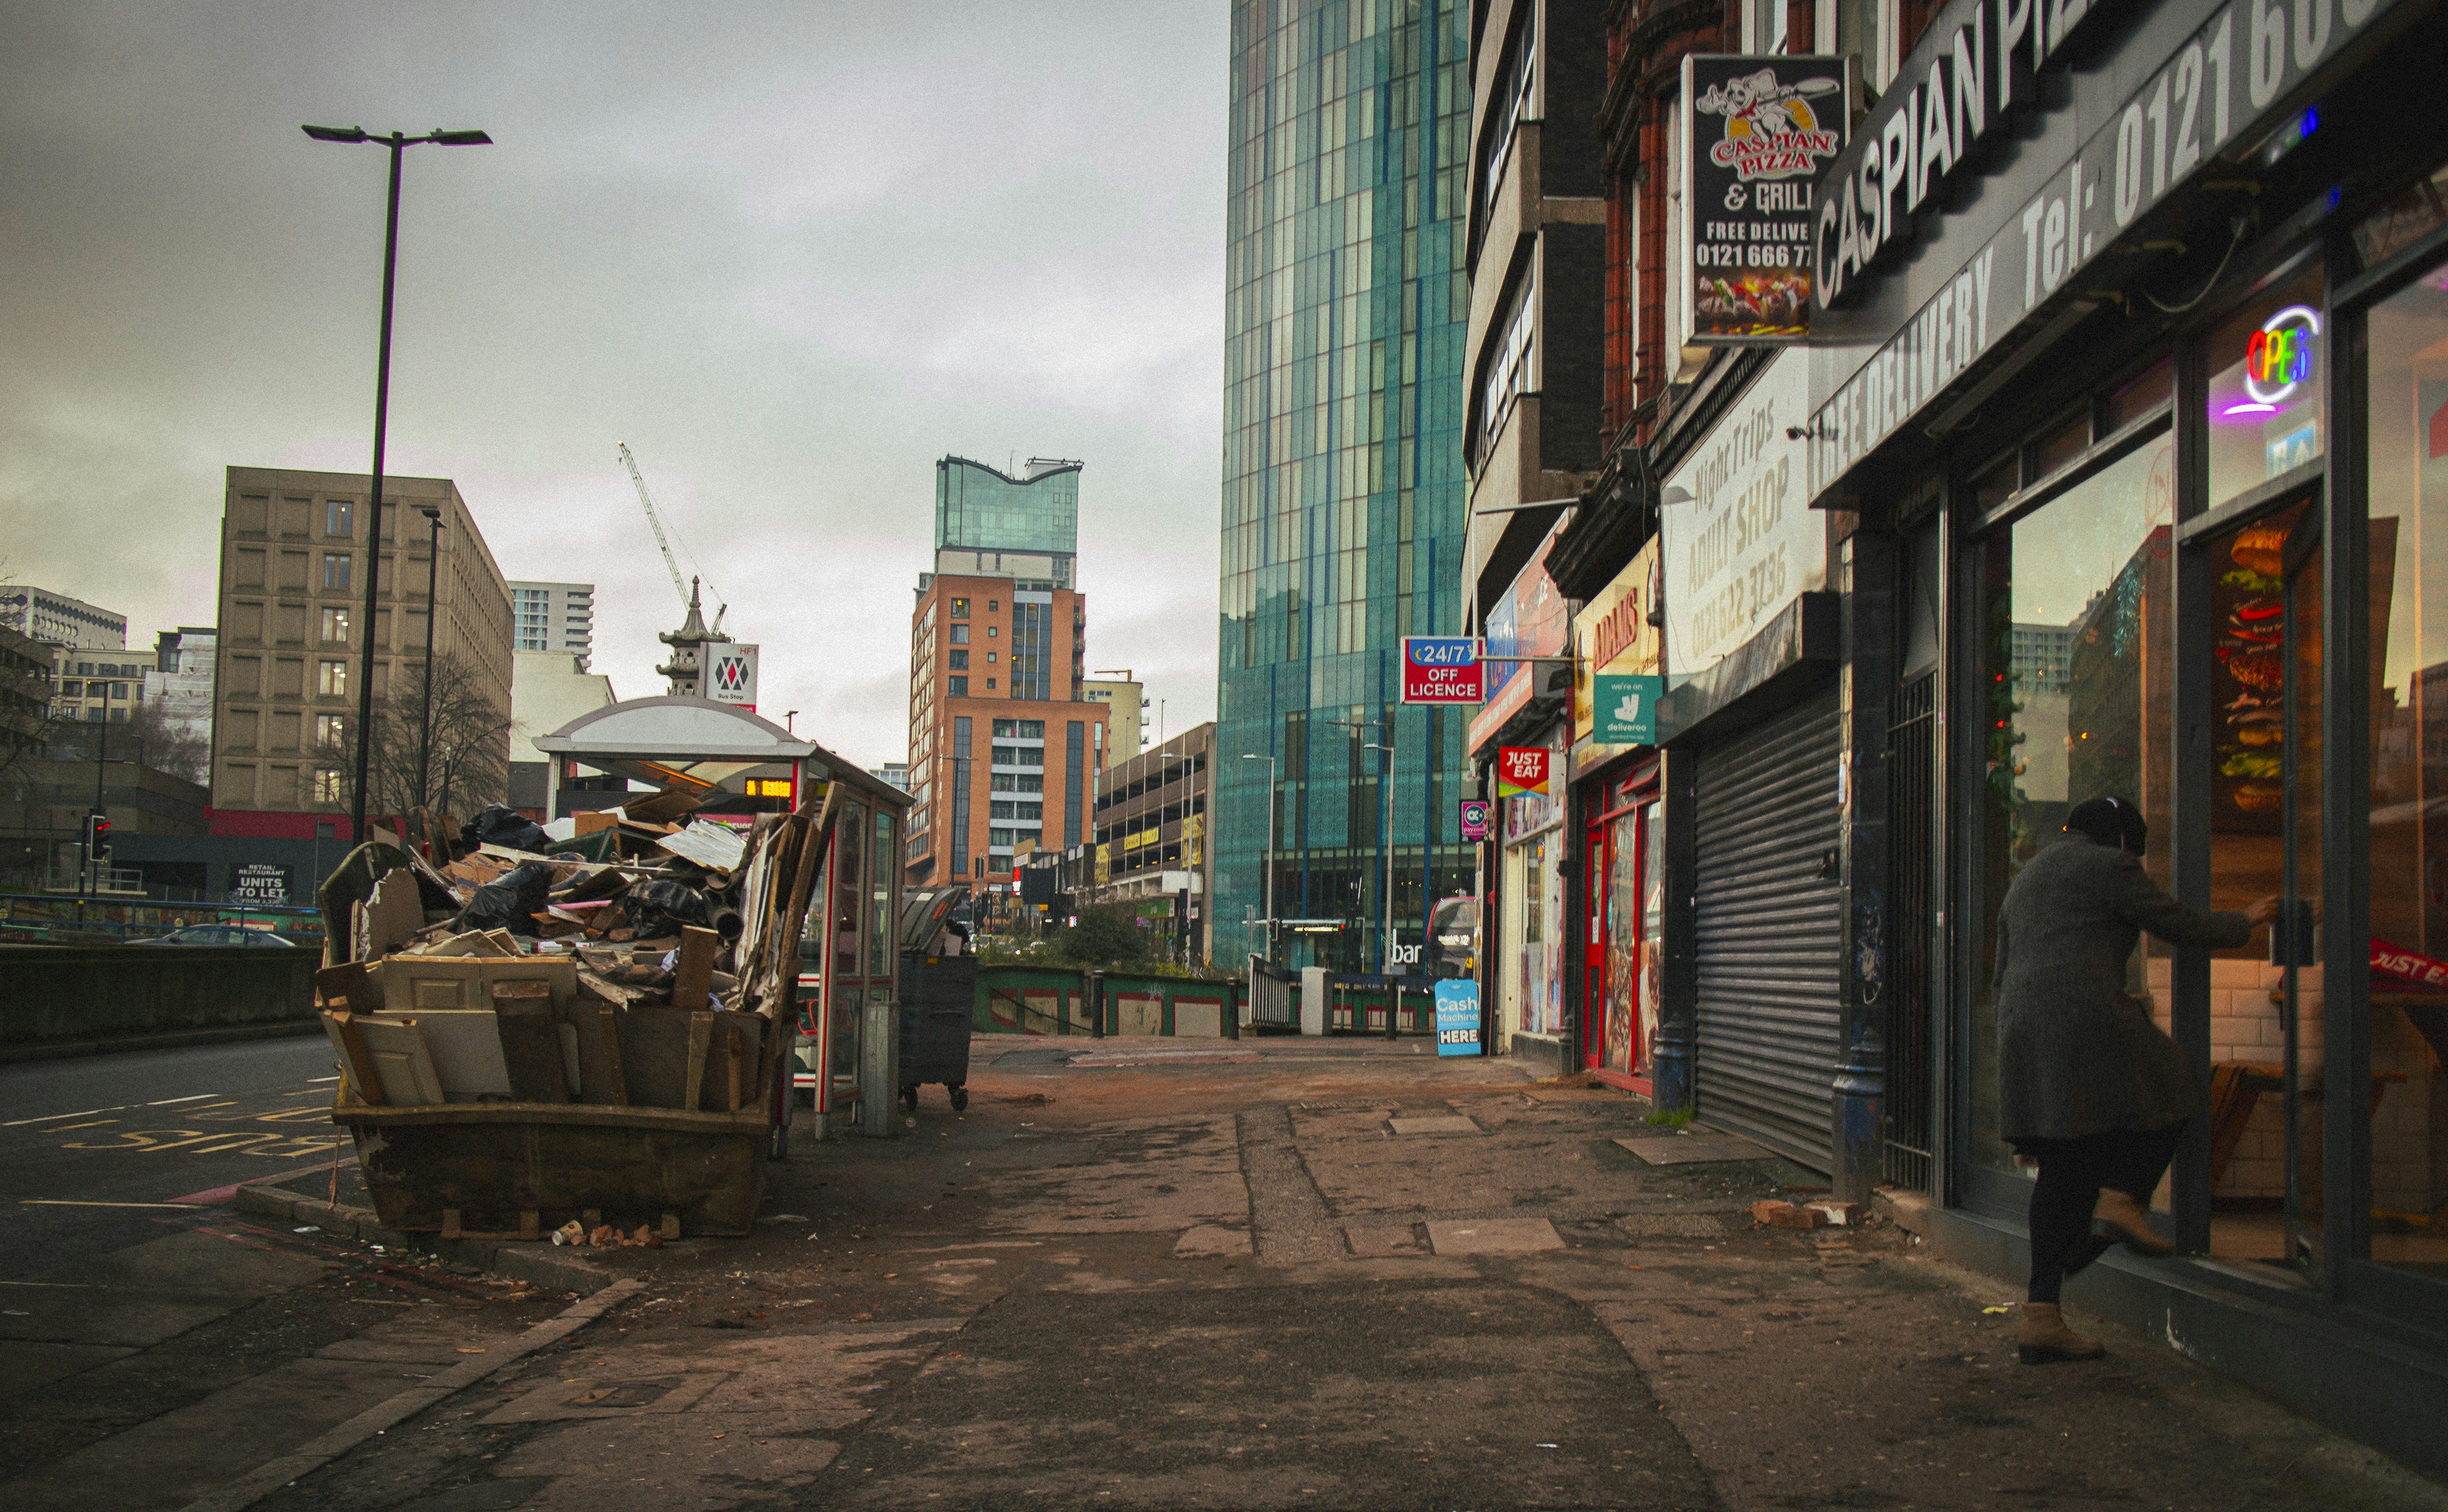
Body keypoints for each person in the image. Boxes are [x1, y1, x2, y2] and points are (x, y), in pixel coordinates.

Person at [1993, 795, 2280, 1365]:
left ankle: (2040, 1317)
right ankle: (2122, 1199)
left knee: (2062, 1164)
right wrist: (2243, 920)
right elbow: (2175, 922)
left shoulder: (2027, 878)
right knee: (2174, 1081)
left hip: (2021, 1029)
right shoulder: (2109, 865)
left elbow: (2004, 967)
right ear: (2121, 840)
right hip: (2082, 1014)